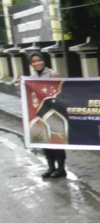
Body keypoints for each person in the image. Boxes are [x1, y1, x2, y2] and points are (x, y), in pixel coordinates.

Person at [28, 51, 67, 179]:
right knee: (43, 140)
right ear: (31, 64)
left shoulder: (53, 74)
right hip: (39, 114)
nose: (37, 63)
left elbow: (60, 90)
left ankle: (61, 168)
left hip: (53, 112)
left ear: (44, 61)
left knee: (56, 139)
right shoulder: (31, 79)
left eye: (39, 60)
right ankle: (51, 167)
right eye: (34, 61)